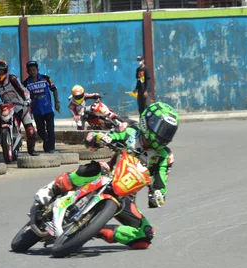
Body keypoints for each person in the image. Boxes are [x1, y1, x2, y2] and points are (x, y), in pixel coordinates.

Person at [34, 101, 179, 249]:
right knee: (94, 168)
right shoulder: (130, 132)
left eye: (168, 132)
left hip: (125, 196)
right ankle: (52, 189)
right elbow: (107, 137)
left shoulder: (164, 156)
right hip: (107, 175)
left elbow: (161, 180)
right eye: (161, 129)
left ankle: (93, 230)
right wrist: (99, 138)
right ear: (147, 121)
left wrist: (158, 194)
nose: (163, 135)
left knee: (145, 236)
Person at [0, 60, 38, 156]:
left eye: (1, 71)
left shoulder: (12, 79)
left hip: (21, 105)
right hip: (8, 106)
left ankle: (31, 149)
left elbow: (23, 90)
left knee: (31, 131)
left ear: (5, 71)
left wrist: (27, 99)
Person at [22, 60, 60, 153]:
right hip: (36, 111)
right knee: (40, 130)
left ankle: (51, 148)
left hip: (48, 109)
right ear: (27, 71)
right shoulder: (26, 83)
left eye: (34, 70)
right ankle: (46, 140)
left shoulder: (46, 79)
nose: (32, 72)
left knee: (51, 129)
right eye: (30, 70)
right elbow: (23, 96)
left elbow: (54, 90)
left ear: (37, 70)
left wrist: (57, 102)